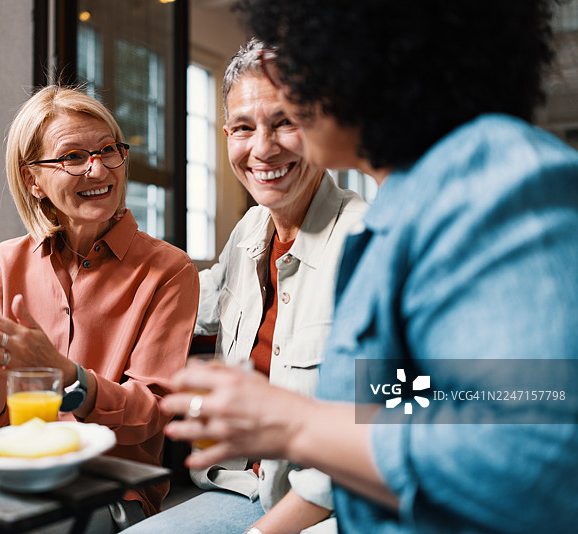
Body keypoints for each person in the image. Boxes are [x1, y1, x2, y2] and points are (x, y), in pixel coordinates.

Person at [160, 1, 578, 533]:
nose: (289, 87)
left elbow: (537, 453)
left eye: (301, 62)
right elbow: (403, 411)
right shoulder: (400, 213)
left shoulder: (497, 183)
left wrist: (293, 422)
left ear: (362, 57)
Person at [123, 39, 367, 534]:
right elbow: (184, 300)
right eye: (243, 128)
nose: (262, 148)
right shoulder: (250, 233)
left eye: (284, 123)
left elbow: (374, 436)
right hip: (245, 489)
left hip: (331, 510)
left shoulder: (366, 243)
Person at [0, 85, 200, 530]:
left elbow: (151, 412)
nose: (98, 168)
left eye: (108, 150)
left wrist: (68, 376)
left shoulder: (168, 270)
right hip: (11, 477)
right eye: (73, 157)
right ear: (32, 180)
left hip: (111, 489)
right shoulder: (3, 265)